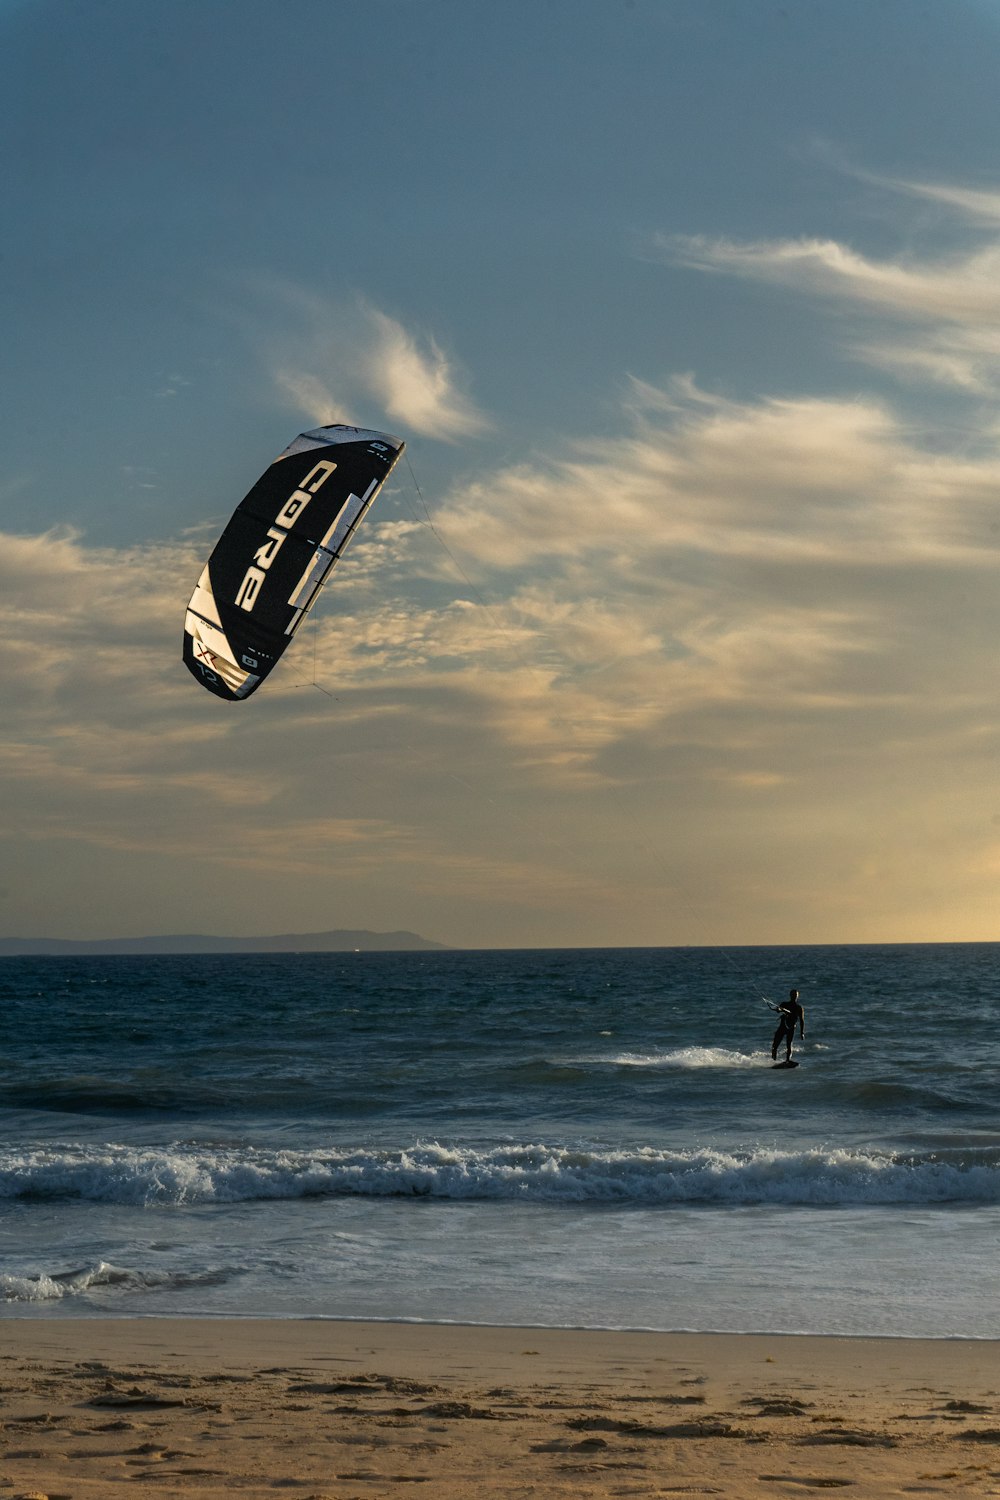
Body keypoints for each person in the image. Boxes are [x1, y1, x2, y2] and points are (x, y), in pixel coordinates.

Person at [771, 988, 805, 1062]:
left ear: (798, 996)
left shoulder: (799, 1008)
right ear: (790, 995)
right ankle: (773, 1061)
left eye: (795, 995)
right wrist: (779, 1009)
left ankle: (788, 1060)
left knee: (789, 1046)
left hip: (791, 1028)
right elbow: (778, 1010)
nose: (794, 996)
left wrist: (802, 1033)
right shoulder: (784, 1004)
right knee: (774, 1046)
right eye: (793, 995)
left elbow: (801, 1020)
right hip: (782, 1027)